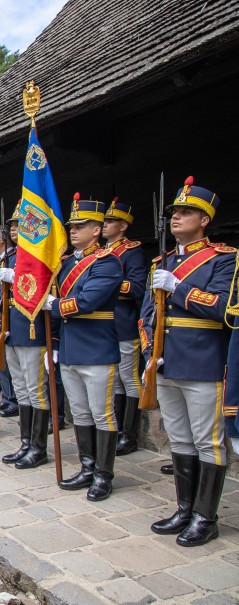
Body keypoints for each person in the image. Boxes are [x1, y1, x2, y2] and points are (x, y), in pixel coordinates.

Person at [141, 176, 235, 546]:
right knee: (178, 438)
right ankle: (184, 508)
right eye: (174, 212)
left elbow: (224, 309)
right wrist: (151, 353)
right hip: (166, 362)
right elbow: (145, 316)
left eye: (185, 212)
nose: (176, 218)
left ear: (204, 220)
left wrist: (178, 288)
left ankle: (206, 517)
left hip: (202, 360)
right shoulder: (160, 262)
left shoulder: (225, 259)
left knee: (208, 441)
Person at [46, 195, 123, 502]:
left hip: (96, 348)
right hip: (71, 348)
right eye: (72, 226)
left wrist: (54, 306)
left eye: (82, 226)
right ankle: (87, 467)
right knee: (79, 412)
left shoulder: (107, 262)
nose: (74, 231)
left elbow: (89, 301)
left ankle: (104, 475)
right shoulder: (65, 264)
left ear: (97, 229)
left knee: (102, 414)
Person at [0, 205, 53, 469]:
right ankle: (26, 442)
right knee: (21, 390)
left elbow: (41, 287)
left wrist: (16, 276)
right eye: (13, 226)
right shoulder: (12, 256)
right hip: (12, 330)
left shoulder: (41, 256)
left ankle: (38, 448)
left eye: (21, 224)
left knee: (35, 390)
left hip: (32, 331)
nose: (15, 229)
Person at [103, 198, 147, 455]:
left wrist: (105, 285)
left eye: (110, 222)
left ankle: (129, 435)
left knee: (129, 379)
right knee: (116, 381)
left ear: (123, 226)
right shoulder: (100, 252)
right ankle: (118, 428)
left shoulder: (132, 251)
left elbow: (136, 287)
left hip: (124, 321)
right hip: (105, 323)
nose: (105, 225)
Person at [0, 223, 19, 418]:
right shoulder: (4, 259)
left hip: (13, 314)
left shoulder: (14, 257)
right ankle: (8, 397)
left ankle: (13, 399)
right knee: (1, 357)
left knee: (10, 361)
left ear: (2, 239)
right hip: (0, 313)